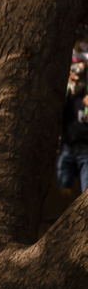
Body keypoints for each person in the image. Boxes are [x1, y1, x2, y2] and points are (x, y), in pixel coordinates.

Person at [57, 60, 88, 196]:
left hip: (85, 150)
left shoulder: (86, 98)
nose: (75, 83)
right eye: (73, 79)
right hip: (67, 147)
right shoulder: (64, 97)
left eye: (79, 79)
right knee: (63, 190)